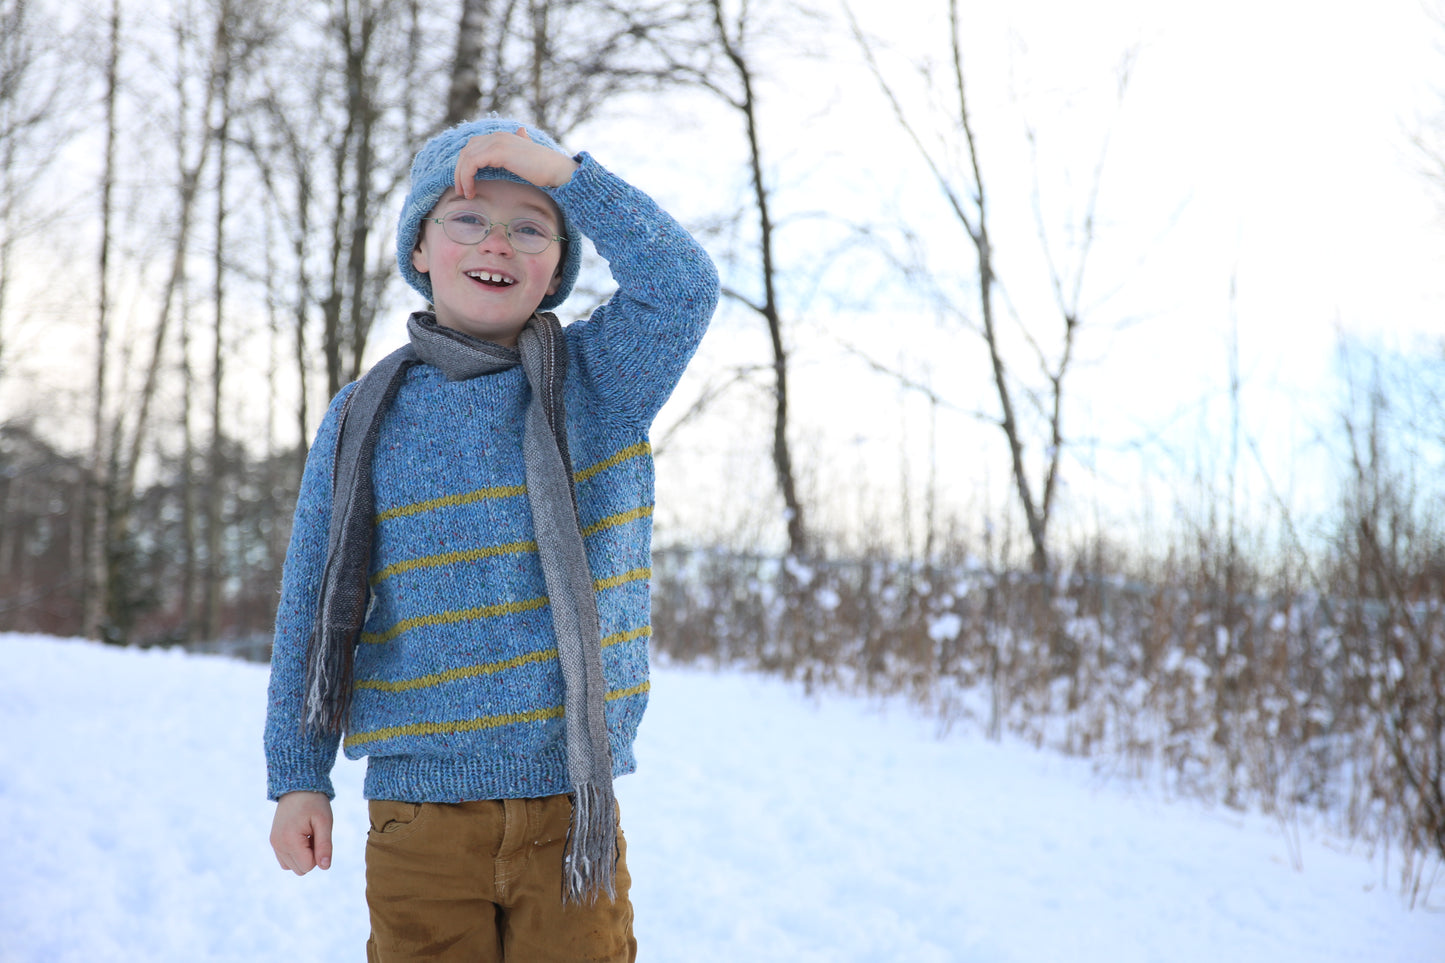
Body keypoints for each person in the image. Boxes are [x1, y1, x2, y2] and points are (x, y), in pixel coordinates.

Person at [263, 117, 718, 962]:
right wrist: (298, 773)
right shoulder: (363, 417)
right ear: (421, 248)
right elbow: (310, 602)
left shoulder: (601, 383)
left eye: (531, 225)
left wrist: (572, 176)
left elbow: (683, 284)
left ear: (555, 271)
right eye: (468, 215)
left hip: (569, 812)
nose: (497, 242)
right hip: (420, 815)